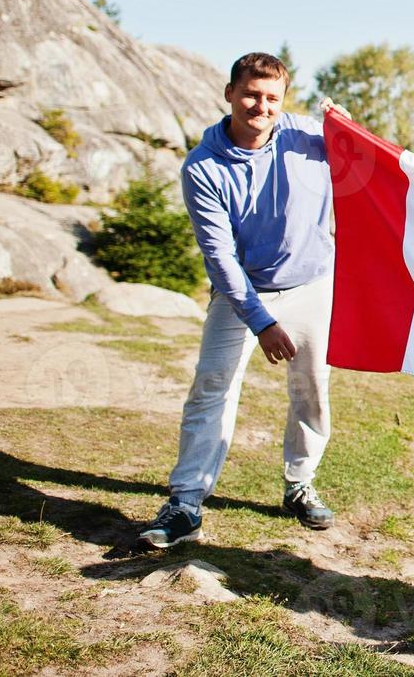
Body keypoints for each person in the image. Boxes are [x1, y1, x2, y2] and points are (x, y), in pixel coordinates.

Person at [138, 52, 347, 548]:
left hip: (312, 285)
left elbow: (367, 163)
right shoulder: (203, 166)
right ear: (230, 93)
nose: (261, 105)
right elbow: (220, 259)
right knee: (212, 388)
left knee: (311, 389)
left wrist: (347, 130)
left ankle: (299, 484)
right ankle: (186, 502)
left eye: (272, 97)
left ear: (283, 101)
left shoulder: (306, 135)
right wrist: (260, 320)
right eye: (251, 94)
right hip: (242, 293)